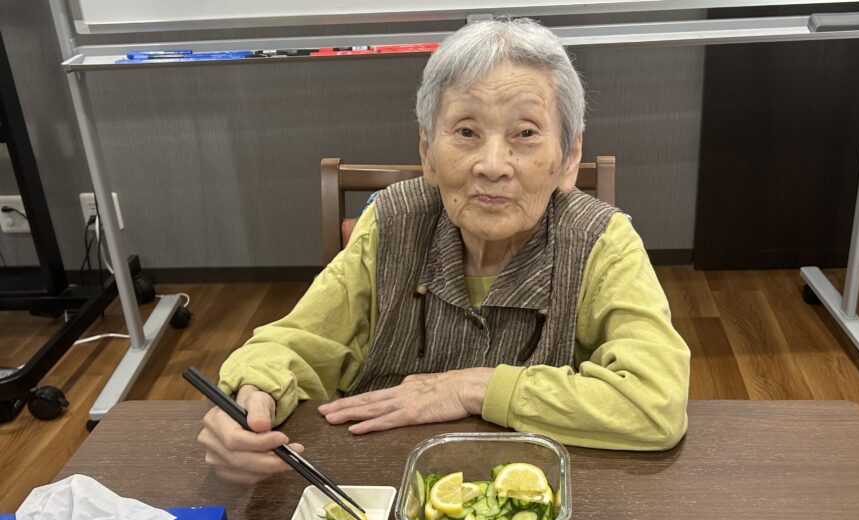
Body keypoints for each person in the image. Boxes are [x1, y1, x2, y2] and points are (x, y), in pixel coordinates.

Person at [198, 18, 690, 484]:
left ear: (569, 157)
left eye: (525, 133)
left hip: (541, 495)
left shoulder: (601, 240)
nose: (493, 165)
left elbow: (655, 403)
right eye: (466, 132)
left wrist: (471, 387)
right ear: (427, 152)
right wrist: (251, 399)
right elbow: (290, 346)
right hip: (384, 488)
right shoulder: (392, 222)